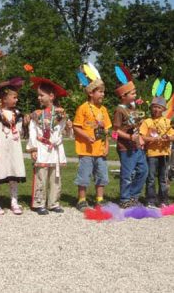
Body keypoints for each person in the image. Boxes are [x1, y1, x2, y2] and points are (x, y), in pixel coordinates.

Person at [27, 77, 67, 215]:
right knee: (41, 176)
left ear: (51, 96)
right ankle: (39, 203)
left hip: (55, 149)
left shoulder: (61, 114)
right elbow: (32, 130)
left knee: (55, 177)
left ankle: (54, 203)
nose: (39, 98)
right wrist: (33, 148)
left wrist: (58, 138)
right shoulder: (36, 115)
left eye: (41, 95)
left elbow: (61, 130)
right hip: (42, 148)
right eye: (38, 95)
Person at [0, 77, 26, 215]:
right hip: (0, 149)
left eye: (16, 97)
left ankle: (14, 201)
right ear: (4, 98)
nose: (16, 100)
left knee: (14, 173)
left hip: (14, 148)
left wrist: (24, 124)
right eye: (14, 97)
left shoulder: (17, 114)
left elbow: (19, 131)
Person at [73, 75, 112, 212]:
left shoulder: (103, 110)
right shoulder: (83, 108)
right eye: (100, 91)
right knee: (84, 175)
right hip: (86, 151)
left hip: (100, 150)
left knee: (101, 175)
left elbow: (106, 130)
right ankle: (82, 200)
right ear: (91, 93)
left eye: (103, 91)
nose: (103, 94)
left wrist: (106, 146)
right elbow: (76, 127)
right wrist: (86, 136)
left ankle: (100, 199)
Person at [113, 71, 148, 208]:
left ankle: (134, 196)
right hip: (125, 148)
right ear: (123, 96)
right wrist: (128, 136)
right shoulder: (119, 110)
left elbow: (134, 124)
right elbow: (115, 131)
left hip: (137, 147)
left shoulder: (132, 107)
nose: (135, 95)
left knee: (143, 171)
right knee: (127, 175)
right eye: (132, 93)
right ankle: (125, 199)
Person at [139, 97, 174, 208]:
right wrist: (152, 139)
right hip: (151, 154)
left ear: (163, 109)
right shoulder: (147, 121)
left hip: (164, 153)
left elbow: (173, 136)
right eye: (154, 107)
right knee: (151, 177)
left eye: (158, 107)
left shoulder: (168, 122)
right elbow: (142, 136)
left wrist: (168, 137)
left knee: (163, 178)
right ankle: (150, 200)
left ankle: (163, 200)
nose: (156, 109)